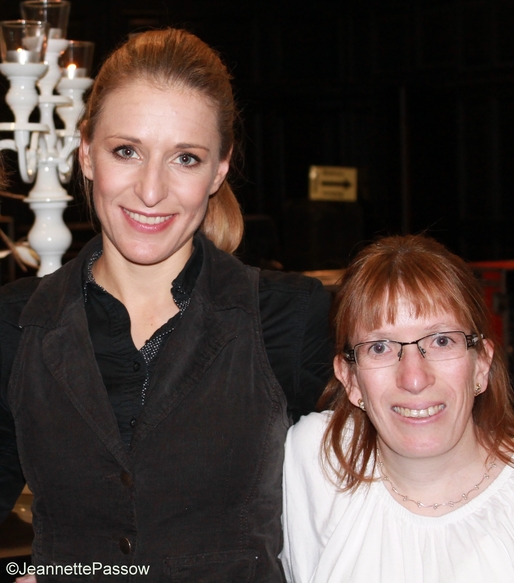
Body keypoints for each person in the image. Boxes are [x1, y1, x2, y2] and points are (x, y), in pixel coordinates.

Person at [0, 29, 332, 581]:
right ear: (86, 152)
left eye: (185, 158)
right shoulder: (16, 323)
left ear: (218, 170)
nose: (151, 190)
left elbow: (378, 491)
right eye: (126, 151)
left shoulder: (289, 318)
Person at [282, 235, 514, 582]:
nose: (414, 378)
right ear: (350, 378)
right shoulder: (316, 462)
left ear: (481, 364)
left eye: (441, 340)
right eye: (380, 347)